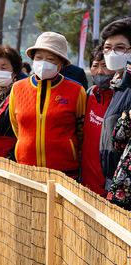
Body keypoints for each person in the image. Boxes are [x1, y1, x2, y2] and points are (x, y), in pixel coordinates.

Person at [8, 32, 86, 178]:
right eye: (39, 57)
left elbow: (81, 130)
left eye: (51, 59)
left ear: (61, 64)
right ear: (32, 59)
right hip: (26, 168)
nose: (44, 63)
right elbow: (16, 125)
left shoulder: (76, 90)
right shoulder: (18, 88)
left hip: (65, 171)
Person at [99, 17, 131, 203]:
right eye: (107, 47)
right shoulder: (117, 85)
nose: (112, 53)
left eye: (120, 48)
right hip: (113, 180)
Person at [80, 45, 116, 197]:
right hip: (86, 182)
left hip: (109, 186)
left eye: (106, 66)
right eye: (95, 66)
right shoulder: (88, 96)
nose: (100, 72)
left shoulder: (121, 100)